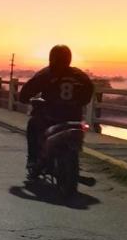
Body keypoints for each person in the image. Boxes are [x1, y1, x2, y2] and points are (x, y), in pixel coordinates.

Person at [18, 45, 94, 180]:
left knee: (32, 124)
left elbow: (25, 93)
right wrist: (78, 103)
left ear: (51, 58)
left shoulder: (46, 74)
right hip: (74, 118)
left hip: (50, 117)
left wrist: (26, 99)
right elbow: (89, 91)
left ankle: (33, 159)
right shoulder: (79, 75)